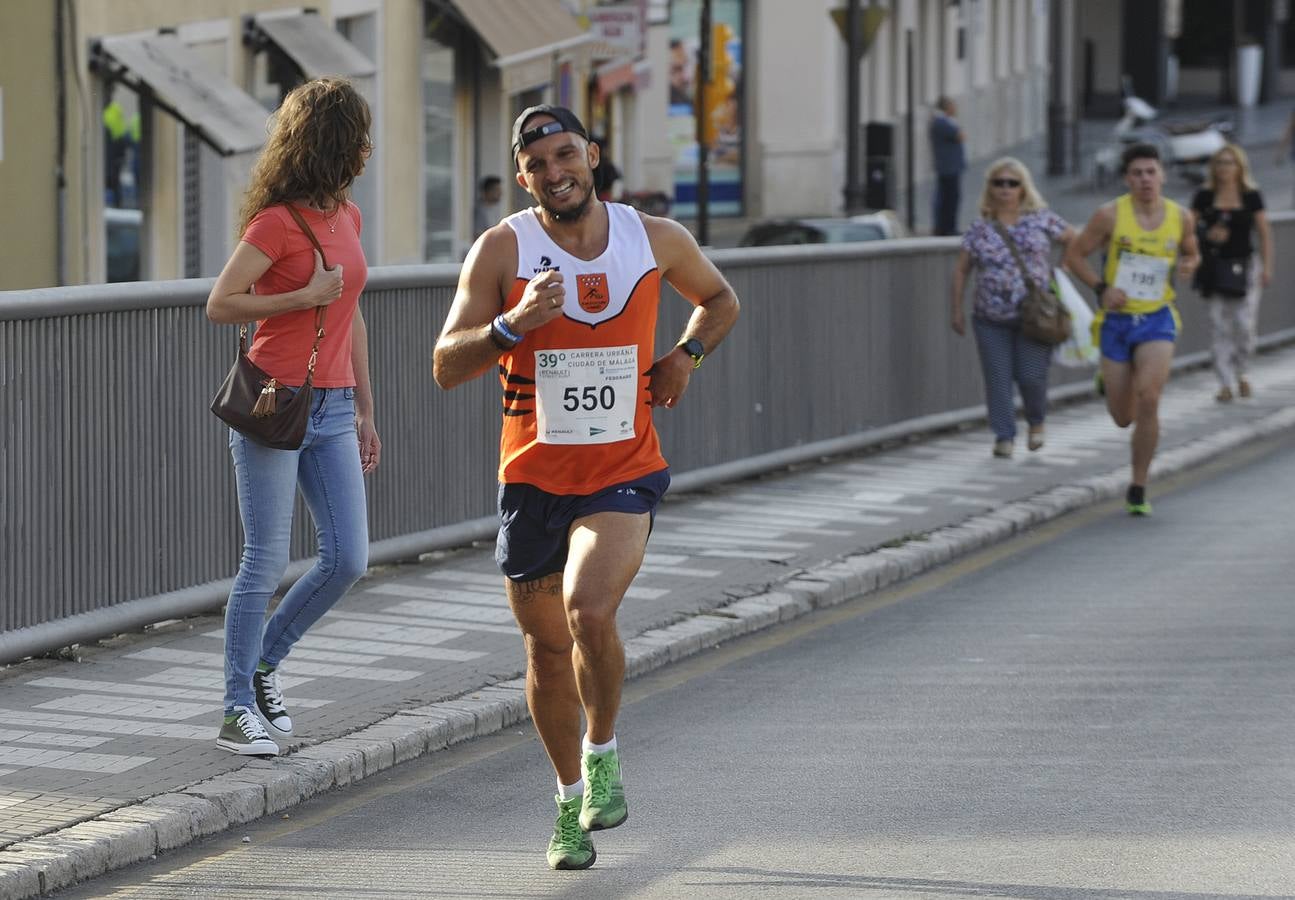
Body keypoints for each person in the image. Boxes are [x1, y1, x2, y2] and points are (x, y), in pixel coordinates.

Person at [433, 104, 739, 870]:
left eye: (566, 155)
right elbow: (444, 364)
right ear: (522, 176)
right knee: (545, 650)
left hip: (622, 470)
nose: (555, 173)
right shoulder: (502, 249)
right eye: (537, 164)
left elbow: (719, 299)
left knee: (587, 609)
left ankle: (602, 752)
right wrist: (511, 324)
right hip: (532, 479)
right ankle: (568, 802)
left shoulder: (652, 237)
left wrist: (685, 358)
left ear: (592, 155)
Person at [206, 78, 380, 756]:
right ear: (333, 144)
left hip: (334, 407)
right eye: (359, 139)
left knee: (348, 558)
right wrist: (302, 296)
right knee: (265, 559)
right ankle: (234, 710)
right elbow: (221, 303)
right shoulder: (275, 224)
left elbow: (351, 312)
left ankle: (263, 665)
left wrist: (365, 407)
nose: (366, 151)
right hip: (273, 403)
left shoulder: (350, 217)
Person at [1064, 143, 1199, 516]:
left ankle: (1138, 486)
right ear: (1127, 179)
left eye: (1151, 172)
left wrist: (1189, 264)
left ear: (1162, 175)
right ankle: (1109, 379)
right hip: (1117, 322)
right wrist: (1101, 288)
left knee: (1150, 397)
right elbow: (1074, 255)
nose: (1145, 180)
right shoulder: (1109, 215)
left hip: (1157, 317)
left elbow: (1191, 250)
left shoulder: (1180, 216)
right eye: (1137, 173)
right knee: (1123, 417)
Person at [951, 158, 1076, 458]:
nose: (1005, 189)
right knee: (997, 377)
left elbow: (1073, 238)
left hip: (1035, 314)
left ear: (1023, 188)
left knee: (1031, 375)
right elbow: (962, 270)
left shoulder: (1040, 219)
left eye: (1012, 183)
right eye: (999, 183)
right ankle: (1004, 436)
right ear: (990, 189)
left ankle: (1036, 420)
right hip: (990, 316)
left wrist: (1064, 266)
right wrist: (956, 309)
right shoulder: (979, 228)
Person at [1190, 143, 1272, 402]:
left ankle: (1242, 371)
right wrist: (1205, 235)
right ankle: (1224, 382)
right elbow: (1187, 229)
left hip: (1245, 265)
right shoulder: (1204, 196)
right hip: (1214, 266)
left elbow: (1264, 233)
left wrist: (1268, 266)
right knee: (1219, 324)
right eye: (1220, 163)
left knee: (1244, 324)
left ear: (1239, 167)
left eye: (1229, 163)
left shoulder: (1251, 195)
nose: (1224, 168)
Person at [929, 96, 967, 236]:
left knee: (948, 197)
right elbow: (960, 136)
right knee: (949, 198)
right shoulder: (942, 122)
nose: (955, 109)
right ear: (947, 107)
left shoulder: (942, 121)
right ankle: (947, 227)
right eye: (953, 105)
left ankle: (946, 226)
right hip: (948, 167)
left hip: (949, 166)